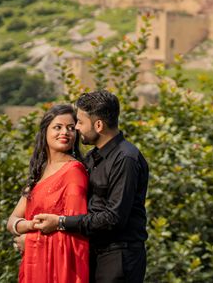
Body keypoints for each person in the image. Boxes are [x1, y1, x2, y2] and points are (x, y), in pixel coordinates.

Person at [32, 90, 149, 283]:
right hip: (94, 253)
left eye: (80, 122)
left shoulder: (126, 159)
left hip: (118, 257)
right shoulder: (92, 158)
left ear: (99, 125)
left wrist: (60, 222)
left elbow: (113, 219)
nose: (76, 128)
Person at [7, 104, 90, 283]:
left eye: (70, 128)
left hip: (59, 272)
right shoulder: (39, 172)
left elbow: (75, 232)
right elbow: (12, 221)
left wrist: (29, 241)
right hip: (33, 268)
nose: (65, 132)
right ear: (45, 131)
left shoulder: (74, 171)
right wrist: (31, 226)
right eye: (57, 127)